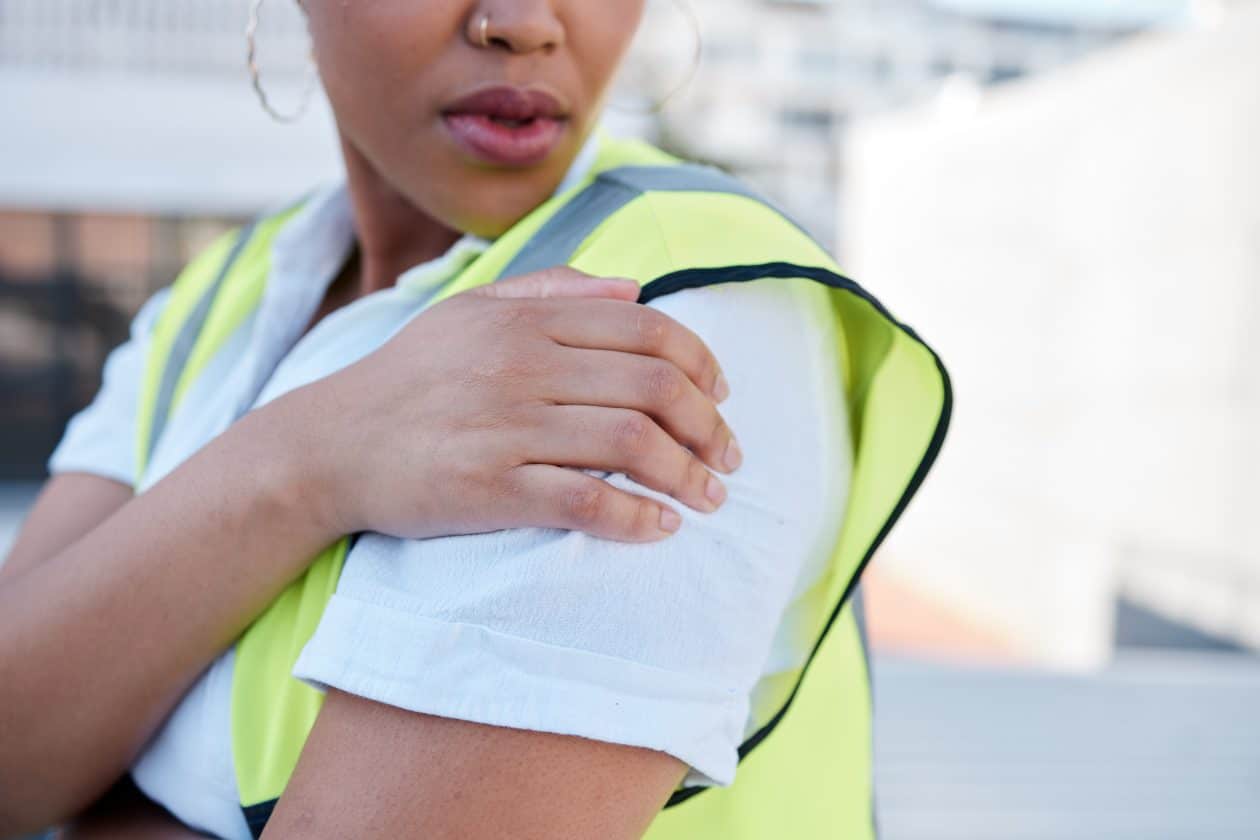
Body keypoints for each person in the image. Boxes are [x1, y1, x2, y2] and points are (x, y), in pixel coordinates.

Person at [0, 2, 950, 838]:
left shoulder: (671, 310)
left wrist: (94, 796)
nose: (524, 21)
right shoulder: (226, 291)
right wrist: (309, 452)